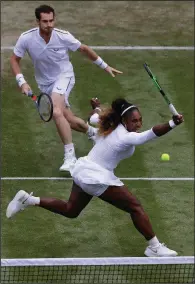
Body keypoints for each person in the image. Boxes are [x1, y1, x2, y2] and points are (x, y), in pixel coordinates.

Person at [6, 98, 184, 257]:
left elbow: (94, 117)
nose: (138, 124)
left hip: (83, 169)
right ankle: (154, 247)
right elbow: (148, 135)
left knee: (71, 210)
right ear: (124, 120)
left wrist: (97, 108)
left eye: (139, 120)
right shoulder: (126, 136)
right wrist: (172, 123)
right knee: (135, 207)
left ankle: (28, 199)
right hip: (96, 176)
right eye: (134, 120)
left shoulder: (111, 125)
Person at [10, 4, 122, 172]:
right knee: (67, 119)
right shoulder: (26, 38)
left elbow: (83, 49)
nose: (49, 24)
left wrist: (105, 66)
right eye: (45, 21)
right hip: (45, 83)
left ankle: (70, 157)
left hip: (64, 76)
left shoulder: (63, 36)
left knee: (56, 112)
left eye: (51, 20)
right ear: (37, 22)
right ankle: (94, 133)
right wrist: (22, 81)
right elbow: (14, 59)